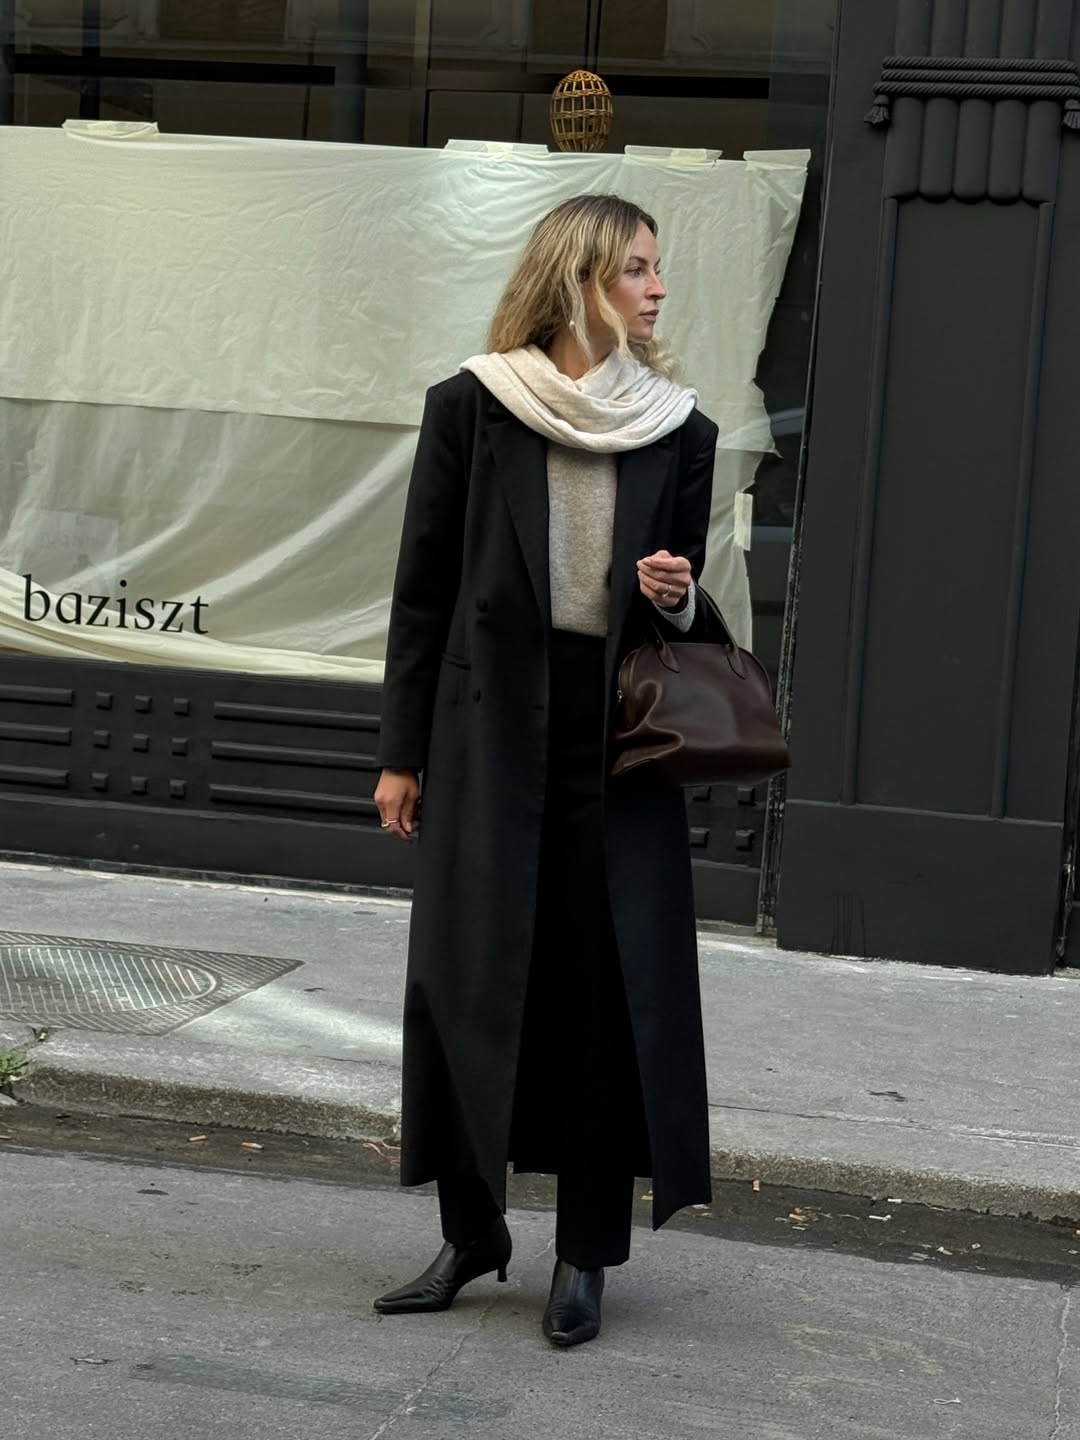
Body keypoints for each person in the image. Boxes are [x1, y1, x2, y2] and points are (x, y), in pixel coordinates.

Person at [372, 192, 719, 1348]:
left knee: (602, 998)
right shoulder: (473, 406)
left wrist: (679, 594)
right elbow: (422, 590)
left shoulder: (678, 429)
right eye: (636, 269)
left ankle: (585, 1254)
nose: (656, 289)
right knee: (469, 987)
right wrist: (401, 754)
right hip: (486, 736)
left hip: (616, 746)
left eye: (657, 269)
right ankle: (472, 1233)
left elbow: (683, 611)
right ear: (578, 280)